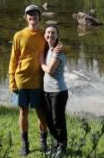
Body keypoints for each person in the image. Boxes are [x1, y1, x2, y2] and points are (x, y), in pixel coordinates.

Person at [9, 4, 60, 156]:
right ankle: (25, 144)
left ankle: (43, 142)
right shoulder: (18, 36)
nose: (32, 17)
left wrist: (63, 49)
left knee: (41, 113)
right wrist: (12, 80)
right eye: (29, 14)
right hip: (21, 80)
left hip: (39, 81)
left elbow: (56, 45)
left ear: (39, 17)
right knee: (23, 111)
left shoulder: (44, 35)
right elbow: (13, 59)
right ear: (26, 18)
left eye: (35, 14)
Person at [40, 25, 68, 155]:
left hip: (58, 91)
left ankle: (62, 146)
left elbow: (50, 71)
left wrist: (41, 63)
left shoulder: (58, 50)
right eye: (48, 33)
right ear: (45, 35)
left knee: (58, 120)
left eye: (53, 33)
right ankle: (57, 143)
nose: (50, 35)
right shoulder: (49, 48)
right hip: (46, 91)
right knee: (49, 120)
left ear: (57, 36)